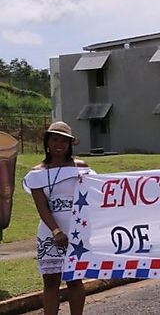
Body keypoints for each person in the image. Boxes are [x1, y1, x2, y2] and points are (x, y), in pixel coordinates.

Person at [23, 122, 92, 315]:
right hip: (50, 231)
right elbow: (41, 207)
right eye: (54, 139)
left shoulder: (81, 167)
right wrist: (56, 231)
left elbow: (93, 196)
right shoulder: (37, 173)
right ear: (47, 142)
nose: (59, 144)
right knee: (51, 281)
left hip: (76, 229)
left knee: (74, 279)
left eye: (64, 140)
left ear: (70, 145)